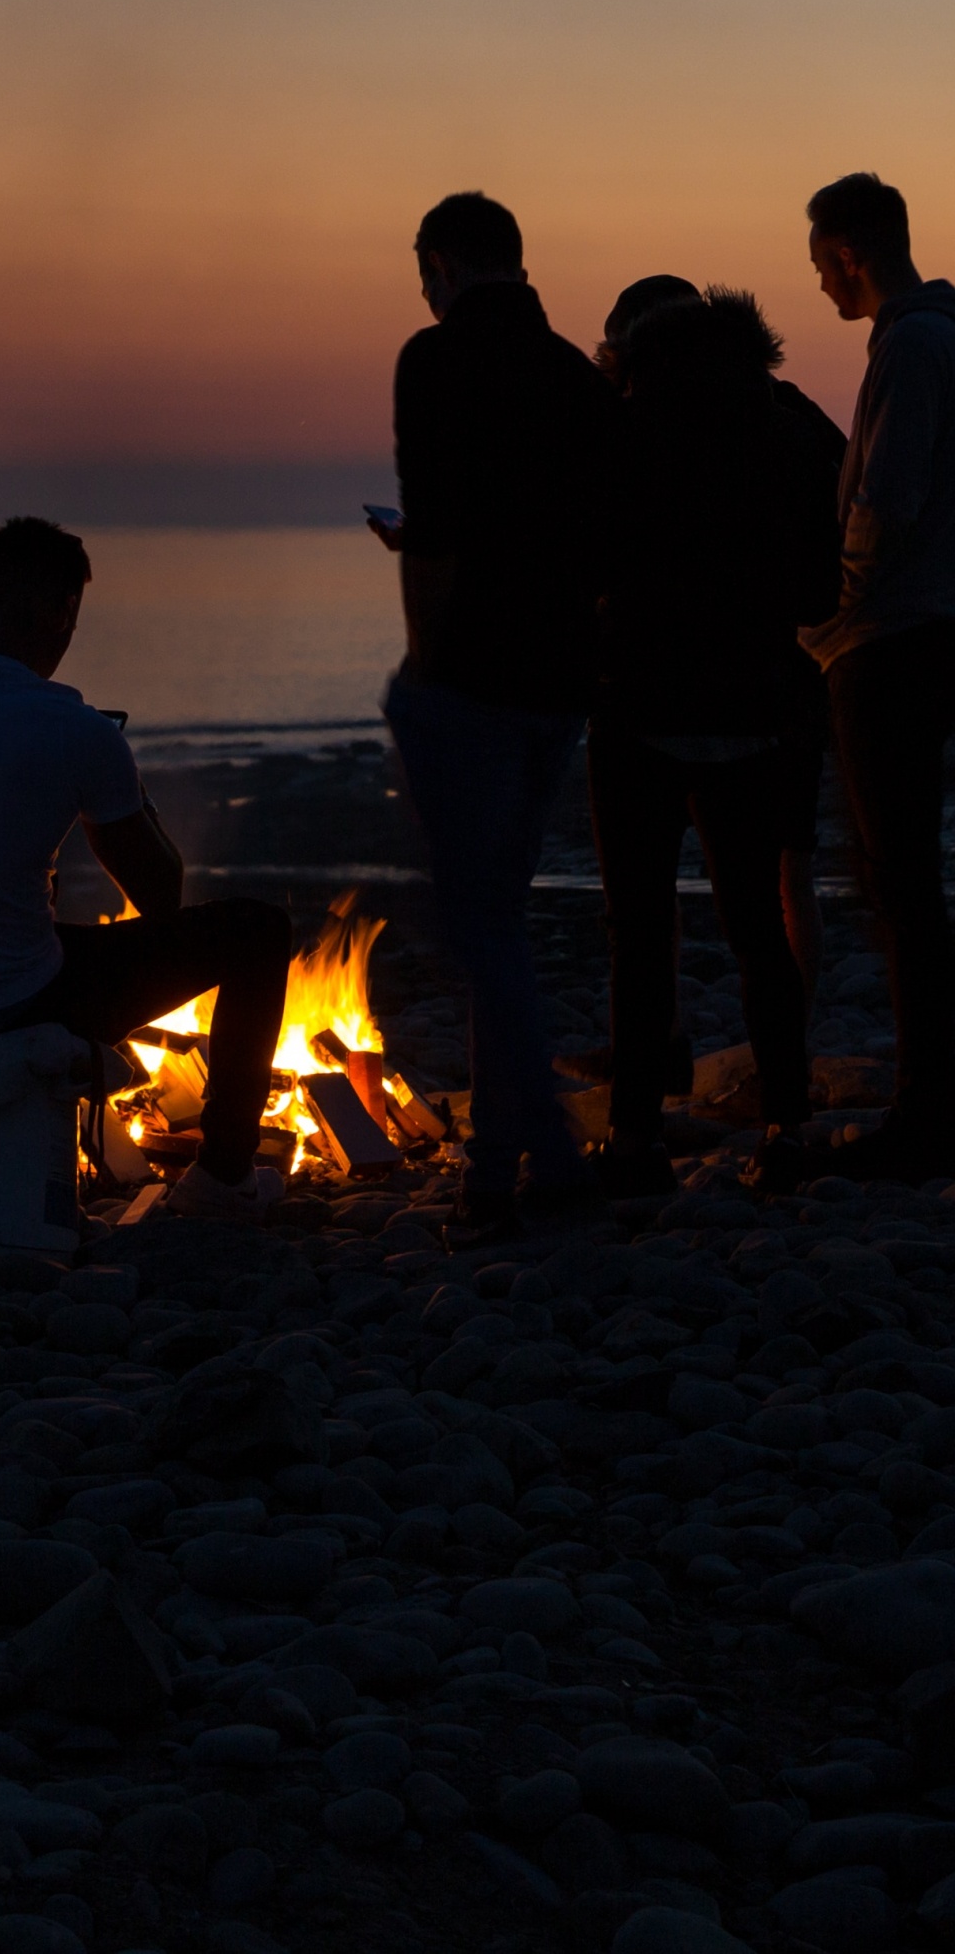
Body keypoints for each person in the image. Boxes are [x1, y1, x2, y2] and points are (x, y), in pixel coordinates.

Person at [0, 516, 292, 1222]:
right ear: (63, 619)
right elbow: (159, 894)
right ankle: (224, 1180)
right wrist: (125, 791)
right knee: (260, 933)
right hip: (11, 1003)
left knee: (33, 927)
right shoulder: (71, 726)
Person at [377, 191, 618, 1232]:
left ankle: (549, 1155)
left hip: (472, 671)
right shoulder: (574, 374)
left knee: (480, 919)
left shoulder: (433, 360)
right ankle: (493, 1158)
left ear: (444, 262)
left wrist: (426, 664)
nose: (422, 291)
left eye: (423, 272)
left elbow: (434, 530)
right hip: (561, 678)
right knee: (500, 914)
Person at [589, 288, 842, 1198]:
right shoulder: (788, 433)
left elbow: (587, 566)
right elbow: (819, 591)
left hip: (639, 711)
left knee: (639, 930)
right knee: (757, 934)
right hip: (755, 714)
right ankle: (787, 1126)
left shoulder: (620, 436)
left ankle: (634, 1136)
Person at [801, 171, 955, 1182]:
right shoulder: (938, 335)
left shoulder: (910, 344)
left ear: (852, 252)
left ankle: (927, 1111)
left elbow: (886, 501)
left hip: (892, 639)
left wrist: (829, 607)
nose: (818, 285)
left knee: (898, 882)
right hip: (927, 629)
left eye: (822, 266)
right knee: (909, 879)